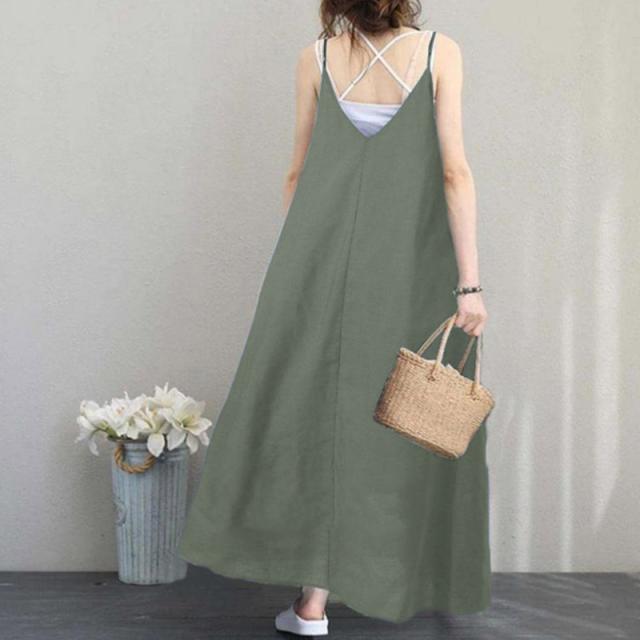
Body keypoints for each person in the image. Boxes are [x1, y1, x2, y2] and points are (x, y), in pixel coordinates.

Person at [178, 1, 491, 635]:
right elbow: (455, 173)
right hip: (409, 265)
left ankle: (312, 604)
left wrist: (301, 261)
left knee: (317, 414)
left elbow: (298, 171)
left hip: (315, 260)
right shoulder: (440, 53)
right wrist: (469, 286)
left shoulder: (315, 59)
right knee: (401, 416)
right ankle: (385, 581)